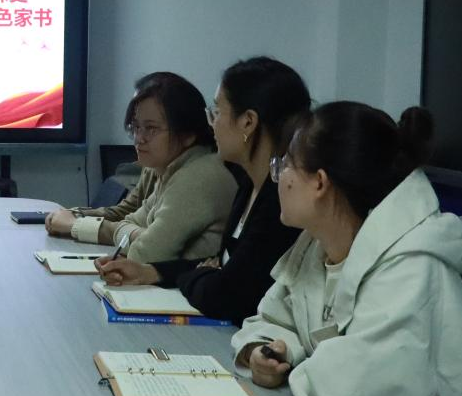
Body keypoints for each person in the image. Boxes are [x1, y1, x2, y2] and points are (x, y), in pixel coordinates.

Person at [231, 102, 462, 396]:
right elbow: (273, 319)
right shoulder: (316, 245)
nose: (278, 176)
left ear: (319, 183)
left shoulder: (411, 265)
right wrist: (264, 352)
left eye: (286, 164)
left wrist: (295, 367)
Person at [98, 57, 310, 321]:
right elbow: (221, 266)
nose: (211, 123)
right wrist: (151, 272)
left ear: (248, 122)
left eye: (217, 112)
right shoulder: (248, 185)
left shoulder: (279, 200)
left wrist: (204, 274)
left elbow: (227, 294)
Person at [53, 72, 236, 263]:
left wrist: (76, 225)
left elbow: (144, 254)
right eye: (135, 127)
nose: (139, 138)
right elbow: (129, 221)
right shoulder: (171, 169)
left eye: (151, 128)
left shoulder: (197, 177)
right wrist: (140, 234)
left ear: (188, 134)